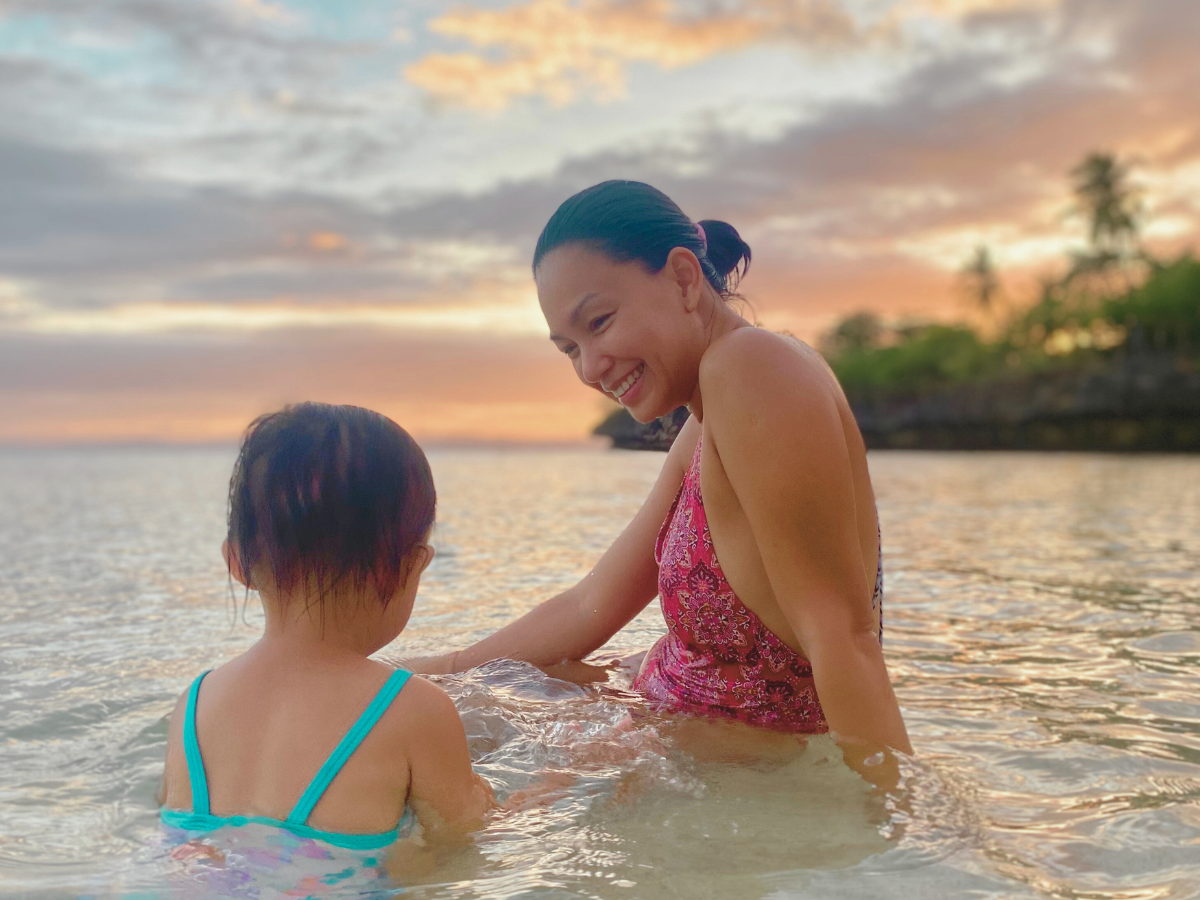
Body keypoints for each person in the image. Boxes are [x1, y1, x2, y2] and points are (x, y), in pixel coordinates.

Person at [406, 181, 912, 767]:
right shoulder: (713, 409)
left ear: (682, 278)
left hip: (712, 755)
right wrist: (434, 672)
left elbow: (843, 637)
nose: (591, 368)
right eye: (569, 349)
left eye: (599, 322)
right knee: (427, 724)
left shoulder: (753, 369)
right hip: (657, 709)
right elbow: (591, 604)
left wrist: (902, 832)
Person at [160, 403, 494, 889]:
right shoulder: (414, 708)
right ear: (411, 566)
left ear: (237, 562)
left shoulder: (194, 701)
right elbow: (468, 841)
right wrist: (563, 784)